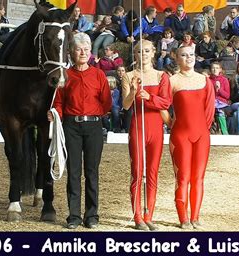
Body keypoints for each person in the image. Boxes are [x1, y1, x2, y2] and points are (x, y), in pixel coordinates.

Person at [49, 33, 112, 230]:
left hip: (93, 126)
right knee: (74, 172)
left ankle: (92, 215)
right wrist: (55, 113)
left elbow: (106, 101)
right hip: (71, 127)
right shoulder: (65, 75)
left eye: (86, 49)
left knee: (92, 172)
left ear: (90, 52)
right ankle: (74, 216)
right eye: (79, 49)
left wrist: (94, 114)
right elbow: (58, 101)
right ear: (71, 52)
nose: (83, 52)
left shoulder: (99, 74)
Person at [121, 39, 171, 231]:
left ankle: (149, 214)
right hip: (138, 126)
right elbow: (126, 105)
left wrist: (150, 97)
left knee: (152, 172)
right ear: (135, 55)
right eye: (139, 51)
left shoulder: (161, 76)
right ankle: (137, 216)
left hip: (156, 128)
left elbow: (166, 103)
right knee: (137, 171)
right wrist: (133, 91)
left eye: (147, 51)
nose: (143, 54)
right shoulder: (129, 75)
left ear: (153, 53)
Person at [169, 45, 215, 229]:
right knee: (183, 177)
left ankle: (195, 216)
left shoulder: (205, 80)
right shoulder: (172, 81)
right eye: (184, 55)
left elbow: (209, 110)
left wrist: (203, 129)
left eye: (191, 55)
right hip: (181, 135)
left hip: (202, 135)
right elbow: (163, 105)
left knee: (199, 177)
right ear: (177, 58)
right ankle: (183, 218)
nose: (189, 58)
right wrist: (170, 122)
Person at [209, 61, 231, 135]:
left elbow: (227, 96)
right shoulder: (208, 80)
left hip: (222, 103)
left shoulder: (224, 80)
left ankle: (225, 132)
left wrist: (219, 89)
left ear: (220, 69)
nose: (215, 70)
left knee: (220, 112)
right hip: (211, 102)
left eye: (217, 68)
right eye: (213, 68)